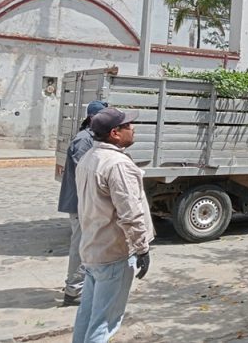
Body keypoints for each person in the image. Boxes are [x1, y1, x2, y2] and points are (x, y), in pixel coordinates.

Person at [72, 107, 154, 343]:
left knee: (87, 316)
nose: (133, 129)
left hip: (93, 250)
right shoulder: (117, 165)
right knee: (104, 323)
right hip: (113, 254)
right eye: (129, 126)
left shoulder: (89, 157)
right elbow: (130, 214)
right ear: (115, 133)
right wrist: (142, 249)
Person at [57, 100, 107, 307]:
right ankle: (73, 291)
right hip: (81, 204)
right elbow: (84, 174)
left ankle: (80, 286)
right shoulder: (83, 140)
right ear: (93, 118)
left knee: (87, 246)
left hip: (86, 203)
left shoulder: (91, 138)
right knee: (81, 247)